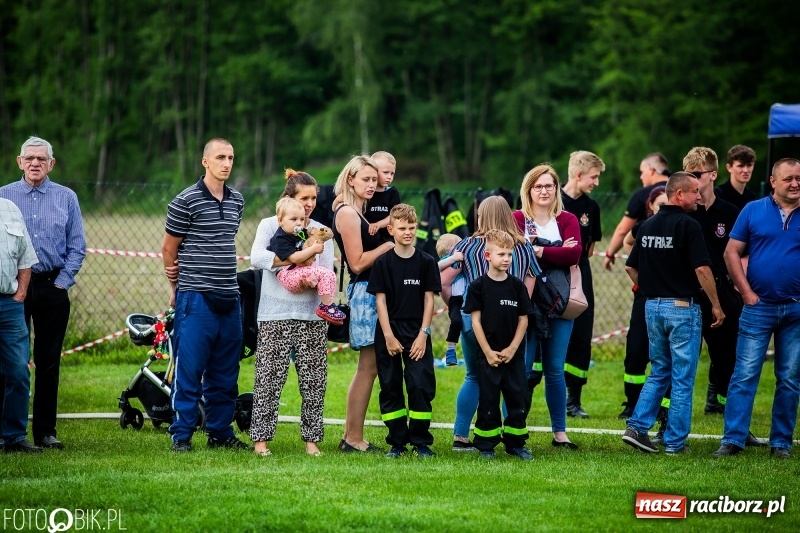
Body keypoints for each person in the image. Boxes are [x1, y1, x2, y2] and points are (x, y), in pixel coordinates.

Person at [622, 172, 724, 455]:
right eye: (694, 192)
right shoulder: (688, 226)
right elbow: (702, 269)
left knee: (659, 371)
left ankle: (637, 427)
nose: (699, 196)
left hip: (652, 307)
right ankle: (674, 443)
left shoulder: (646, 226)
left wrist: (649, 286)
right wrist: (716, 304)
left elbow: (630, 266)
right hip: (682, 309)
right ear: (679, 195)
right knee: (682, 377)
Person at [161, 137, 250, 453]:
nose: (227, 163)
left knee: (226, 373)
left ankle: (220, 433)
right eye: (221, 157)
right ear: (205, 162)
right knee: (189, 370)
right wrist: (176, 288)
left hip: (229, 297)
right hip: (195, 298)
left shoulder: (237, 200)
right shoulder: (184, 201)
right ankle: (182, 435)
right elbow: (169, 249)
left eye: (231, 157)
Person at [0, 136, 86, 450]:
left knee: (49, 362)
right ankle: (9, 431)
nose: (35, 163)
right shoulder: (3, 197)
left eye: (41, 159)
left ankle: (45, 432)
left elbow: (78, 246)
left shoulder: (67, 198)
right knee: (10, 363)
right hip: (12, 292)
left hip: (53, 286)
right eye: (29, 158)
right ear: (19, 162)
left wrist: (62, 282)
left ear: (51, 164)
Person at [712, 158, 800, 459]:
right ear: (773, 182)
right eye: (788, 178)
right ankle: (733, 439)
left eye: (799, 178)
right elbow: (731, 252)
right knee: (745, 374)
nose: (795, 183)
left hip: (796, 311)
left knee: (789, 378)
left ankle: (781, 444)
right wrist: (746, 293)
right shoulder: (752, 211)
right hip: (758, 307)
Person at [249, 169, 334, 457]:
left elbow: (327, 268)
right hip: (275, 312)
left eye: (313, 198)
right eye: (304, 198)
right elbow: (257, 256)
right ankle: (260, 440)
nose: (309, 204)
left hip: (312, 314)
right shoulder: (270, 224)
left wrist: (313, 276)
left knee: (314, 379)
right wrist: (293, 259)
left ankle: (312, 440)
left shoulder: (321, 230)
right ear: (289, 197)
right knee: (269, 377)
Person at [445, 196, 539, 452]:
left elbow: (443, 280)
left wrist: (458, 307)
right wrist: (518, 311)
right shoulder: (524, 247)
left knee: (474, 376)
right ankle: (513, 438)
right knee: (513, 379)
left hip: (472, 319)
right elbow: (529, 287)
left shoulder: (466, 245)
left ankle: (461, 436)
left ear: (481, 216)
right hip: (512, 319)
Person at [514, 164, 582, 449]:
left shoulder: (566, 219)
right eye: (538, 186)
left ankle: (560, 433)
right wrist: (556, 250)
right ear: (528, 190)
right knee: (523, 367)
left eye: (549, 185)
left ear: (556, 189)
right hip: (525, 302)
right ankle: (514, 427)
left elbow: (575, 254)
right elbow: (516, 253)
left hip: (559, 301)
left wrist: (539, 248)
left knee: (555, 368)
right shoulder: (517, 218)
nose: (544, 191)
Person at [332, 155, 395, 453]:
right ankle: (353, 438)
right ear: (350, 180)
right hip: (365, 293)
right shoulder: (347, 213)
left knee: (370, 367)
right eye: (366, 180)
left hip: (375, 290)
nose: (372, 185)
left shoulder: (361, 212)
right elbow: (356, 263)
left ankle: (352, 435)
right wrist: (387, 246)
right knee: (367, 368)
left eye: (374, 179)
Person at [368, 204, 440, 458]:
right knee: (390, 384)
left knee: (420, 384)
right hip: (389, 329)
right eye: (402, 228)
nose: (407, 232)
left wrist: (424, 333)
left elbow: (430, 300)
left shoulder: (427, 262)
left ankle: (421, 441)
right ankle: (396, 441)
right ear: (391, 230)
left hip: (417, 330)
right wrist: (388, 335)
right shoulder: (383, 263)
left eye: (411, 227)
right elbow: (380, 301)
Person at [463, 229, 535, 460]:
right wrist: (487, 351)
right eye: (501, 254)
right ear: (487, 256)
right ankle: (486, 444)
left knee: (517, 398)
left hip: (513, 355)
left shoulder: (517, 286)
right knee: (489, 400)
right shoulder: (477, 287)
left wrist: (513, 349)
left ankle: (516, 444)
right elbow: (475, 321)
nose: (506, 259)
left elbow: (524, 319)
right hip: (488, 355)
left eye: (509, 254)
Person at [560, 150, 605, 418]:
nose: (596, 182)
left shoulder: (592, 208)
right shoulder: (553, 202)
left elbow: (589, 248)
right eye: (593, 177)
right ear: (578, 175)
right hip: (552, 273)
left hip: (581, 272)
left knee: (581, 334)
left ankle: (573, 400)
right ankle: (527, 393)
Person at [618, 186, 667, 420]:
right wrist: (639, 278)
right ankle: (632, 403)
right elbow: (628, 243)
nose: (664, 210)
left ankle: (664, 407)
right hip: (644, 297)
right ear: (650, 206)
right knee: (636, 349)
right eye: (660, 206)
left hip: (669, 298)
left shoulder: (680, 227)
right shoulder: (643, 228)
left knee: (665, 355)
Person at [0, 198, 41, 453]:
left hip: (10, 305)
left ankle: (14, 436)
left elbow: (25, 257)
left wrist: (21, 293)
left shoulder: (9, 208)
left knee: (18, 371)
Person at [267, 196, 345, 324]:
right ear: (280, 221)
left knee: (330, 274)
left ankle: (328, 303)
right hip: (288, 274)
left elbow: (310, 234)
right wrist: (313, 249)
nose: (298, 223)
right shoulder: (280, 238)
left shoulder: (298, 232)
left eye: (302, 219)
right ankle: (326, 307)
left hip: (299, 272)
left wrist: (315, 234)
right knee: (324, 273)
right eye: (293, 219)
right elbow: (295, 258)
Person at [603, 152, 670, 271]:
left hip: (649, 260)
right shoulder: (681, 190)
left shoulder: (642, 194)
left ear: (651, 170)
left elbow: (623, 230)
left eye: (642, 172)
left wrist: (610, 253)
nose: (640, 177)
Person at [333, 151, 401, 242]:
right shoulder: (363, 194)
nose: (389, 177)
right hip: (366, 238)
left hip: (386, 239)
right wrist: (338, 199)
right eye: (385, 172)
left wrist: (378, 224)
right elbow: (335, 208)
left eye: (392, 173)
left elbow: (394, 216)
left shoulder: (392, 193)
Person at [436, 233, 465, 366]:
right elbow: (435, 267)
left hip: (464, 296)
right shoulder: (449, 260)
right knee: (456, 321)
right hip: (455, 299)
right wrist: (453, 258)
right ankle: (451, 349)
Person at [715, 145, 757, 212]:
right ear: (729, 168)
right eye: (741, 166)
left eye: (749, 165)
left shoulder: (751, 197)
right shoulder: (718, 195)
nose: (746, 170)